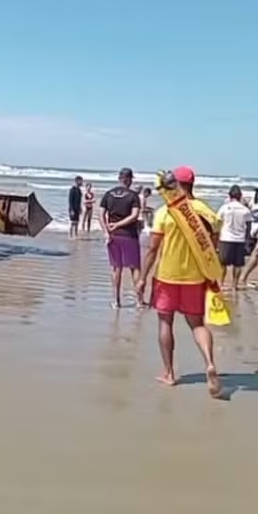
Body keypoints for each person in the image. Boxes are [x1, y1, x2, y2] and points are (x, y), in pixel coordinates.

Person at [136, 166, 221, 397]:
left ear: (176, 185)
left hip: (167, 276)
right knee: (197, 324)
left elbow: (153, 249)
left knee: (165, 323)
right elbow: (213, 245)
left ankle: (169, 373)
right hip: (195, 277)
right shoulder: (205, 211)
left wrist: (142, 278)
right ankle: (210, 363)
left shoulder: (166, 212)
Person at [99, 167, 142, 308]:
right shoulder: (133, 196)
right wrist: (118, 225)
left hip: (113, 236)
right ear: (129, 179)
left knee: (115, 268)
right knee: (134, 268)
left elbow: (100, 215)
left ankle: (116, 301)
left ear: (119, 178)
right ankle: (139, 301)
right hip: (129, 235)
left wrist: (106, 230)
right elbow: (134, 215)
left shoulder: (108, 194)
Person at [217, 185, 252, 289]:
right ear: (240, 196)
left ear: (229, 195)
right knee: (238, 265)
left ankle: (221, 283)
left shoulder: (224, 207)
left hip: (225, 238)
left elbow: (218, 221)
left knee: (223, 264)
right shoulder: (245, 210)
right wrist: (246, 239)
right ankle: (234, 285)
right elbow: (248, 227)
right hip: (239, 239)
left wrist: (217, 236)